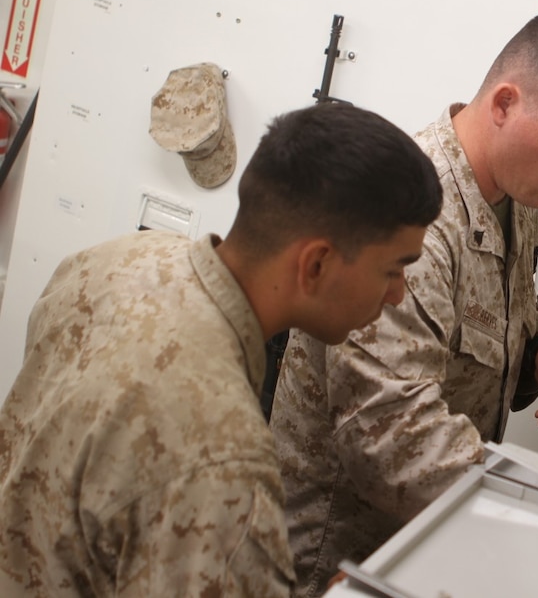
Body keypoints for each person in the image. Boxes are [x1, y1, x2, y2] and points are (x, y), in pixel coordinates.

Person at [270, 6, 538, 595]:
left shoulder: (517, 194)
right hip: (336, 558)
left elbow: (502, 306)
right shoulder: (408, 215)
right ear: (504, 104)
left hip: (428, 532)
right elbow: (393, 437)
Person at [0, 102, 443, 597]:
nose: (398, 294)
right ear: (316, 264)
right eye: (393, 269)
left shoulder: (110, 263)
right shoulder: (222, 455)